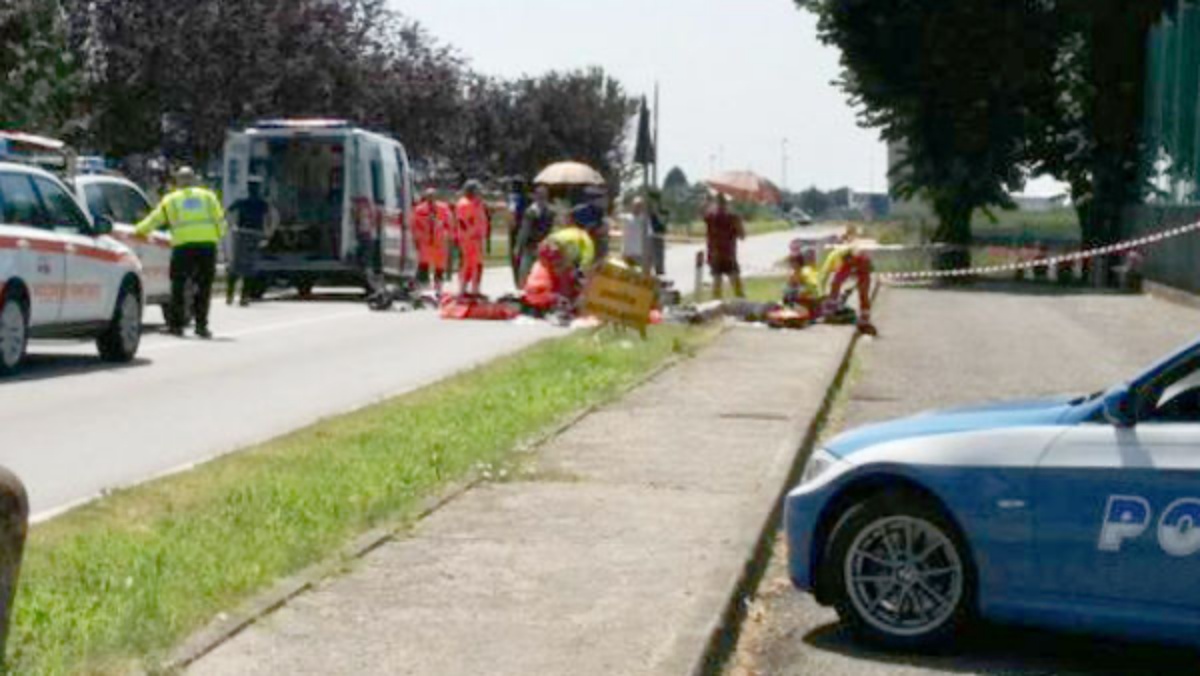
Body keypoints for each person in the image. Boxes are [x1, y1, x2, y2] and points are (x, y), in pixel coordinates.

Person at [136, 166, 227, 338]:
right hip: (207, 246)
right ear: (193, 180)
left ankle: (176, 326)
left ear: (177, 181)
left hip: (183, 247)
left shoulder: (171, 199)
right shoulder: (208, 197)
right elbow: (220, 220)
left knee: (178, 286)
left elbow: (155, 219)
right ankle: (201, 326)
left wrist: (138, 231)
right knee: (204, 287)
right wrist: (217, 236)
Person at [225, 176, 276, 306]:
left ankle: (230, 295)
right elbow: (271, 218)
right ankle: (244, 297)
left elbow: (227, 212)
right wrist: (268, 234)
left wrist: (231, 227)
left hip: (241, 233)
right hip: (255, 234)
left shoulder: (241, 202)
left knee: (236, 264)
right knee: (250, 266)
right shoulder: (263, 203)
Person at [704, 193, 746, 299]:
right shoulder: (711, 217)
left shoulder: (733, 218)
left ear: (727, 204)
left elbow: (742, 236)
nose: (721, 205)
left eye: (724, 202)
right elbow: (701, 213)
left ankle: (742, 307)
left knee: (737, 286)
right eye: (719, 202)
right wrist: (707, 202)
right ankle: (716, 309)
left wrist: (739, 223)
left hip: (729, 256)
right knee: (717, 287)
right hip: (716, 255)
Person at [414, 188, 453, 296]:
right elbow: (415, 225)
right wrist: (417, 239)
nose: (431, 198)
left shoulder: (443, 208)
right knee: (423, 266)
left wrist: (448, 236)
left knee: (439, 267)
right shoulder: (419, 209)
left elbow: (449, 224)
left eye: (432, 196)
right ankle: (423, 290)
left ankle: (438, 290)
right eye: (428, 196)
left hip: (439, 243)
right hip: (425, 243)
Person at [515, 185, 556, 286]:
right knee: (542, 270)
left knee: (526, 270)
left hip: (532, 244)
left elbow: (525, 231)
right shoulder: (550, 210)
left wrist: (518, 247)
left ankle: (525, 289)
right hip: (543, 244)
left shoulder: (531, 211)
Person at [454, 180, 489, 296]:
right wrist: (471, 234)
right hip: (469, 240)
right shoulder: (465, 204)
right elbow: (463, 222)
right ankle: (464, 289)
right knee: (469, 264)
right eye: (477, 190)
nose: (480, 192)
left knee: (477, 265)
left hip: (478, 239)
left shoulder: (477, 204)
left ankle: (475, 289)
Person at [571, 186, 609, 263]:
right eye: (601, 198)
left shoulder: (599, 212)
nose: (603, 200)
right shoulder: (581, 211)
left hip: (595, 248)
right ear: (593, 199)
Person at [506, 178, 530, 284]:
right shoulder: (528, 198)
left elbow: (512, 212)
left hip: (516, 228)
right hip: (526, 227)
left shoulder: (513, 198)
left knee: (515, 253)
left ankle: (518, 279)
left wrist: (511, 226)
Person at [621, 196, 652, 271]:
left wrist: (649, 254)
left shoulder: (645, 220)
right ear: (632, 206)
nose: (637, 207)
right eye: (636, 205)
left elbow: (649, 236)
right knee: (626, 275)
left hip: (640, 254)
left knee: (642, 275)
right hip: (627, 253)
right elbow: (614, 216)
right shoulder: (626, 218)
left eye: (640, 205)